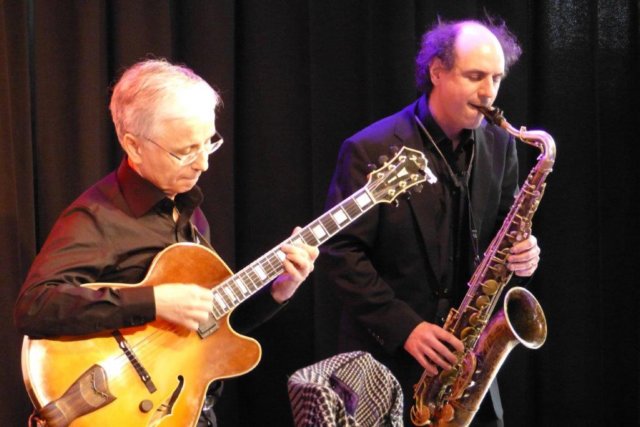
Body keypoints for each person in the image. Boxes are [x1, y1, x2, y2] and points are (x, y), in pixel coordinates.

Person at [14, 59, 318, 427]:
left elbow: (210, 330)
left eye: (209, 143)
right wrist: (154, 302)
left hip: (186, 411)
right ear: (134, 146)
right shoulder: (97, 217)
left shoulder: (192, 215)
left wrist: (279, 290)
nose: (203, 164)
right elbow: (34, 305)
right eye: (185, 151)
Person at [318, 18, 540, 426]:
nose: (489, 91)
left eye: (496, 78)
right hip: (384, 363)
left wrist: (523, 253)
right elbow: (340, 251)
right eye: (475, 76)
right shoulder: (370, 148)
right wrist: (405, 327)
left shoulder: (500, 143)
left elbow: (502, 229)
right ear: (437, 72)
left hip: (464, 367)